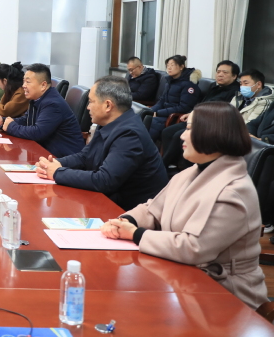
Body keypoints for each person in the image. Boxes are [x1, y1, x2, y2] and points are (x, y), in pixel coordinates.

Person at [101, 102, 267, 310]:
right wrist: (125, 220)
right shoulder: (191, 172)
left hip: (225, 294)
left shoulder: (233, 191)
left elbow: (193, 248)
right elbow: (152, 209)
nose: (181, 135)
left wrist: (135, 234)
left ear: (211, 133)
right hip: (183, 276)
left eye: (188, 129)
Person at [35, 76, 168, 210]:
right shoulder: (108, 122)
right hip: (109, 200)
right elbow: (85, 156)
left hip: (129, 212)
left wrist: (57, 173)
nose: (88, 107)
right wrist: (56, 163)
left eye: (91, 102)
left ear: (108, 105)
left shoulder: (129, 134)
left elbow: (104, 180)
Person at [159, 60, 241, 170]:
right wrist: (191, 113)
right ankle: (171, 163)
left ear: (234, 76)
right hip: (198, 119)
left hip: (210, 124)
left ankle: (170, 166)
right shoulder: (215, 87)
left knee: (179, 135)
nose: (220, 75)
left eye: (225, 72)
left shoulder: (235, 92)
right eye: (218, 72)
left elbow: (223, 113)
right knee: (167, 131)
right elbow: (202, 104)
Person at [0, 63, 84, 157]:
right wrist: (2, 121)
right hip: (47, 154)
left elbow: (37, 133)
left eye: (28, 82)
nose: (23, 85)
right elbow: (27, 120)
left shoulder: (52, 104)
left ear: (43, 85)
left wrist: (11, 126)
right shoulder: (37, 99)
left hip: (64, 159)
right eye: (24, 81)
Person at [145, 55, 201, 142]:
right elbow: (162, 101)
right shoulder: (170, 81)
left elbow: (184, 107)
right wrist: (150, 111)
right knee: (143, 116)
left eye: (172, 65)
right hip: (164, 114)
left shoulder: (189, 85)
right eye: (167, 65)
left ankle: (146, 147)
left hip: (175, 117)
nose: (169, 68)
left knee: (152, 122)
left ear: (181, 67)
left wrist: (159, 113)